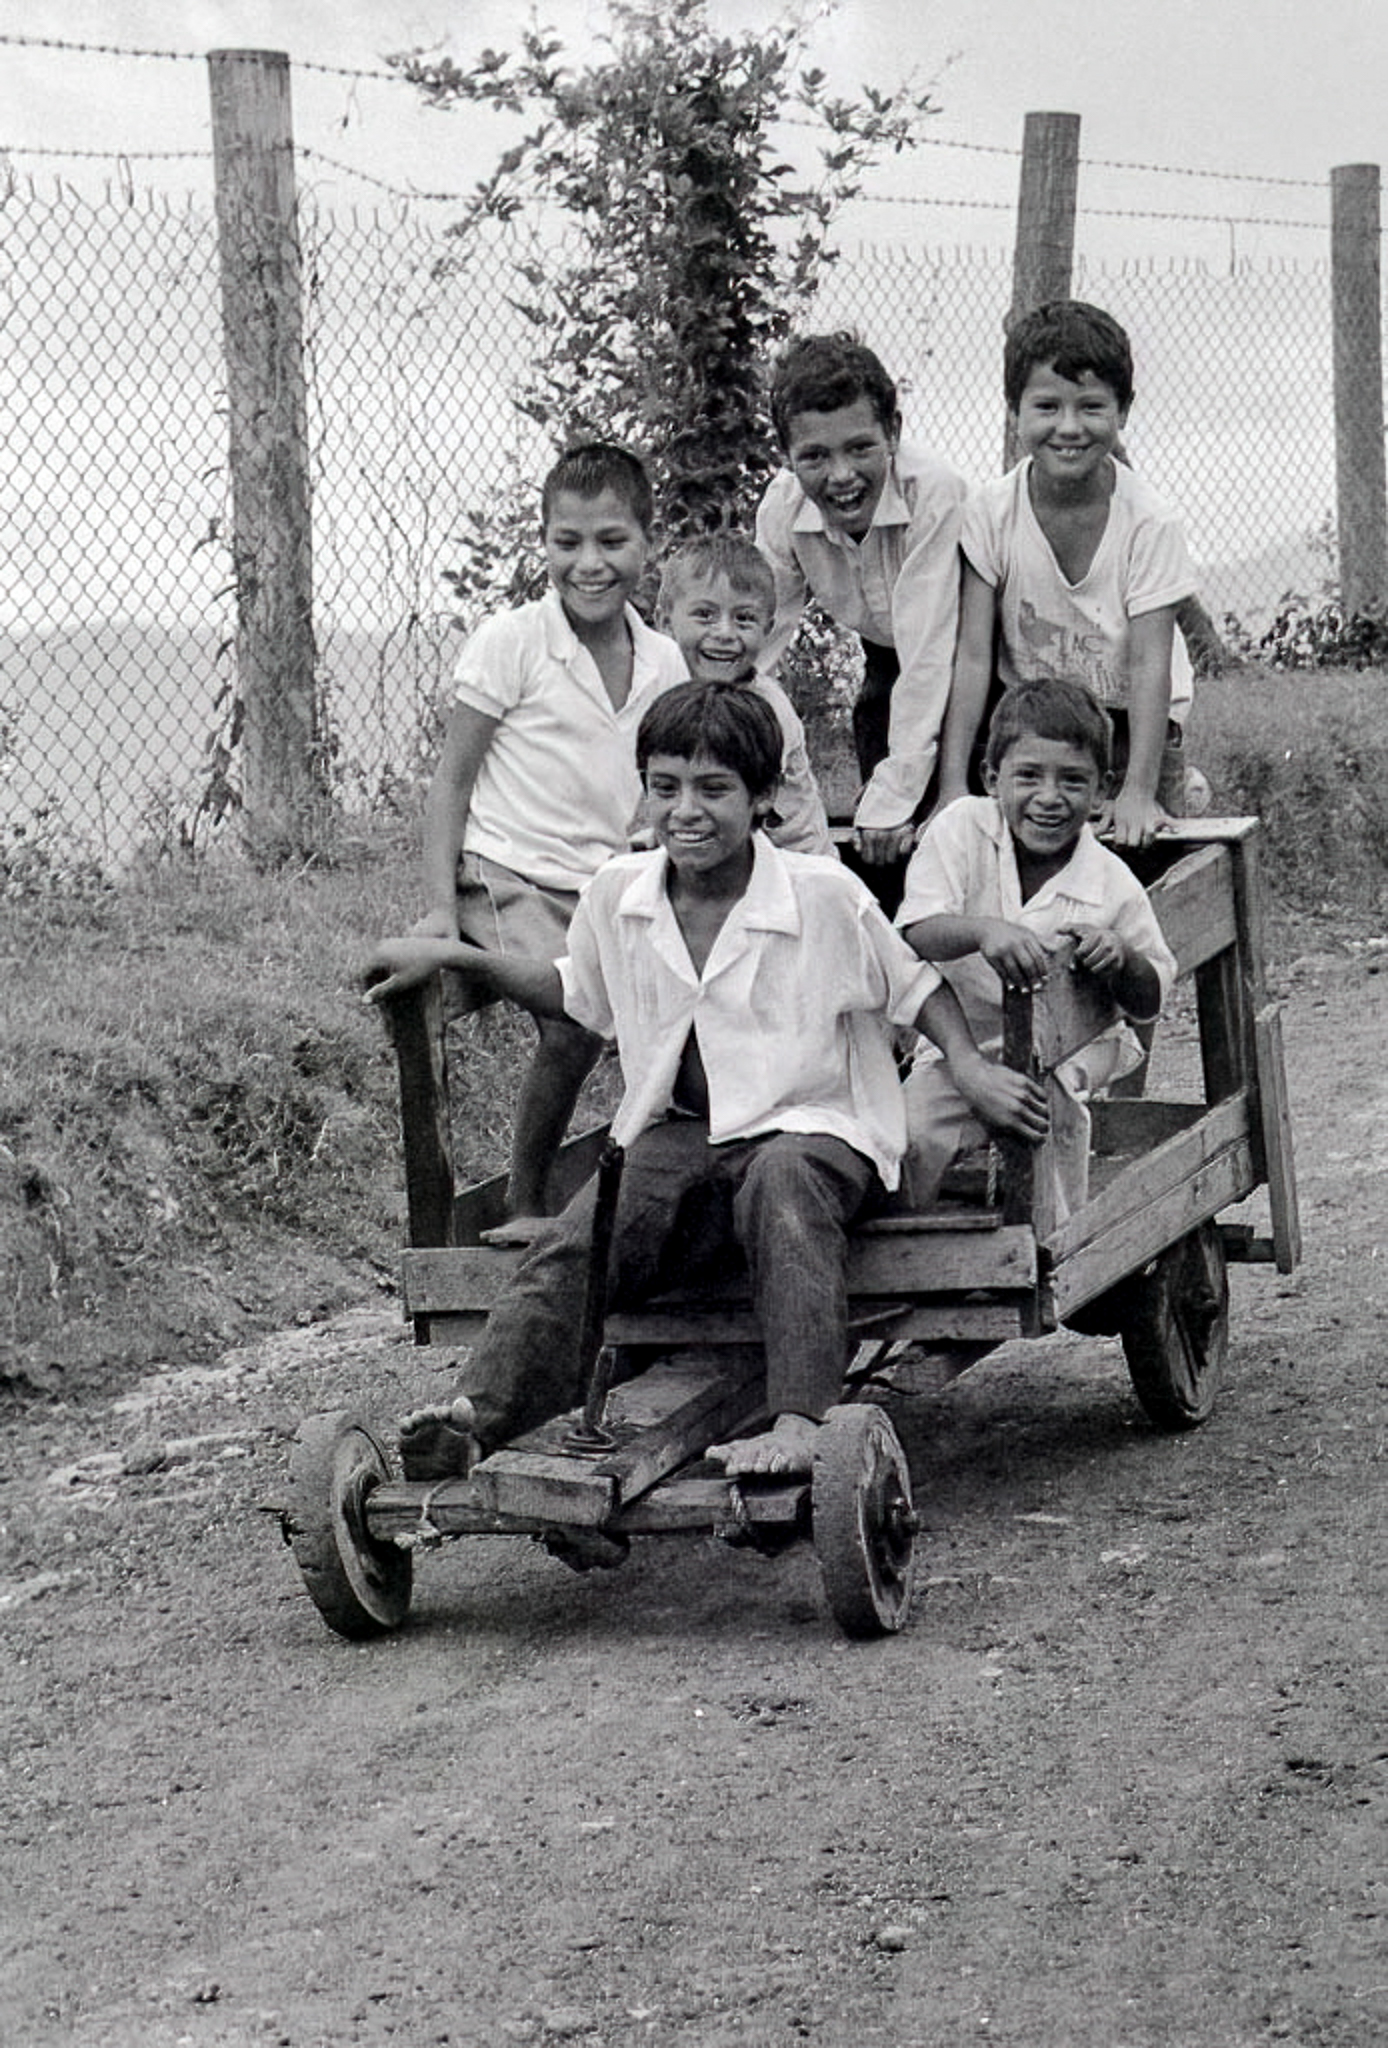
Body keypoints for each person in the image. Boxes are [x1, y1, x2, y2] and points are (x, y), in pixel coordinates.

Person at [366, 683, 1045, 1483]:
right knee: (589, 1231)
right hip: (685, 1129)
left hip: (816, 1126)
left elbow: (915, 988)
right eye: (665, 787)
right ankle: (477, 1418)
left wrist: (970, 1068)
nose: (686, 811)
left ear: (762, 798)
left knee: (784, 1191)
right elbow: (574, 992)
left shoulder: (822, 895)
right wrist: (456, 958)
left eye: (714, 789)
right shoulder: (619, 893)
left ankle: (800, 1419)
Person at [409, 441, 687, 1239]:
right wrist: (438, 908)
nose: (589, 563)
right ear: (544, 544)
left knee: (675, 1012)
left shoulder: (663, 661)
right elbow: (452, 782)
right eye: (567, 543)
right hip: (508, 874)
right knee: (574, 1018)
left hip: (607, 880)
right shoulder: (513, 642)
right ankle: (525, 1200)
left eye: (611, 541)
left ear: (647, 543)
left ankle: (641, 1194)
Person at [898, 680, 1177, 1223]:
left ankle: (1053, 1253)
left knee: (1043, 1107)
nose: (1049, 798)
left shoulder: (1110, 882)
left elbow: (1148, 1001)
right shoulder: (961, 830)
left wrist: (1119, 955)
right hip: (963, 1042)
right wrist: (983, 931)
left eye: (1073, 781)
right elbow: (916, 930)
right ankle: (915, 1255)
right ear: (990, 777)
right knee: (909, 1133)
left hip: (1075, 1044)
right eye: (1028, 776)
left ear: (1103, 791)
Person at [934, 300, 1199, 850]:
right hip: (1030, 719)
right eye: (1048, 406)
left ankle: (1172, 786)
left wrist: (1137, 791)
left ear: (1123, 411)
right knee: (1015, 851)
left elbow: (1151, 663)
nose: (1069, 428)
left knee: (1140, 849)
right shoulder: (990, 513)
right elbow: (974, 657)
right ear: (1015, 409)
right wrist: (953, 785)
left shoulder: (1150, 522)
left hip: (1128, 724)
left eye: (1092, 407)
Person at [753, 331, 968, 883]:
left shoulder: (932, 493)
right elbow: (756, 646)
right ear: (788, 456)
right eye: (815, 456)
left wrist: (897, 794)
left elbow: (931, 656)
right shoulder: (783, 508)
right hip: (887, 652)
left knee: (958, 814)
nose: (842, 475)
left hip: (973, 651)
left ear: (893, 431)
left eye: (860, 448)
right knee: (884, 839)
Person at [655, 533, 835, 857]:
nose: (725, 633)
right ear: (665, 622)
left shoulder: (766, 709)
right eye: (705, 615)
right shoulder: (661, 692)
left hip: (793, 867)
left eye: (744, 619)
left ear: (767, 631)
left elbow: (730, 806)